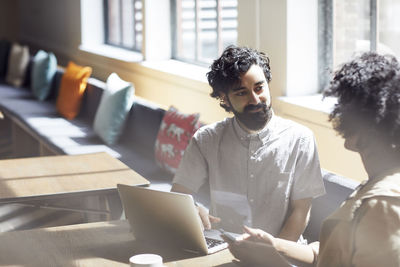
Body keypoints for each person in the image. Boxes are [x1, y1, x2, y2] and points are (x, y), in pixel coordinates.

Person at [226, 51, 400, 266]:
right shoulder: (376, 185)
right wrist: (274, 245)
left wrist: (271, 261)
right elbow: (328, 253)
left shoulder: (381, 206)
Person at [171, 45, 325, 242]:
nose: (255, 99)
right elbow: (178, 196)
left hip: (282, 253)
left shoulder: (301, 139)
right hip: (223, 249)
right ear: (224, 99)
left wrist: (272, 255)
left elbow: (301, 212)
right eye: (242, 93)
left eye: (259, 88)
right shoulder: (206, 139)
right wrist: (191, 208)